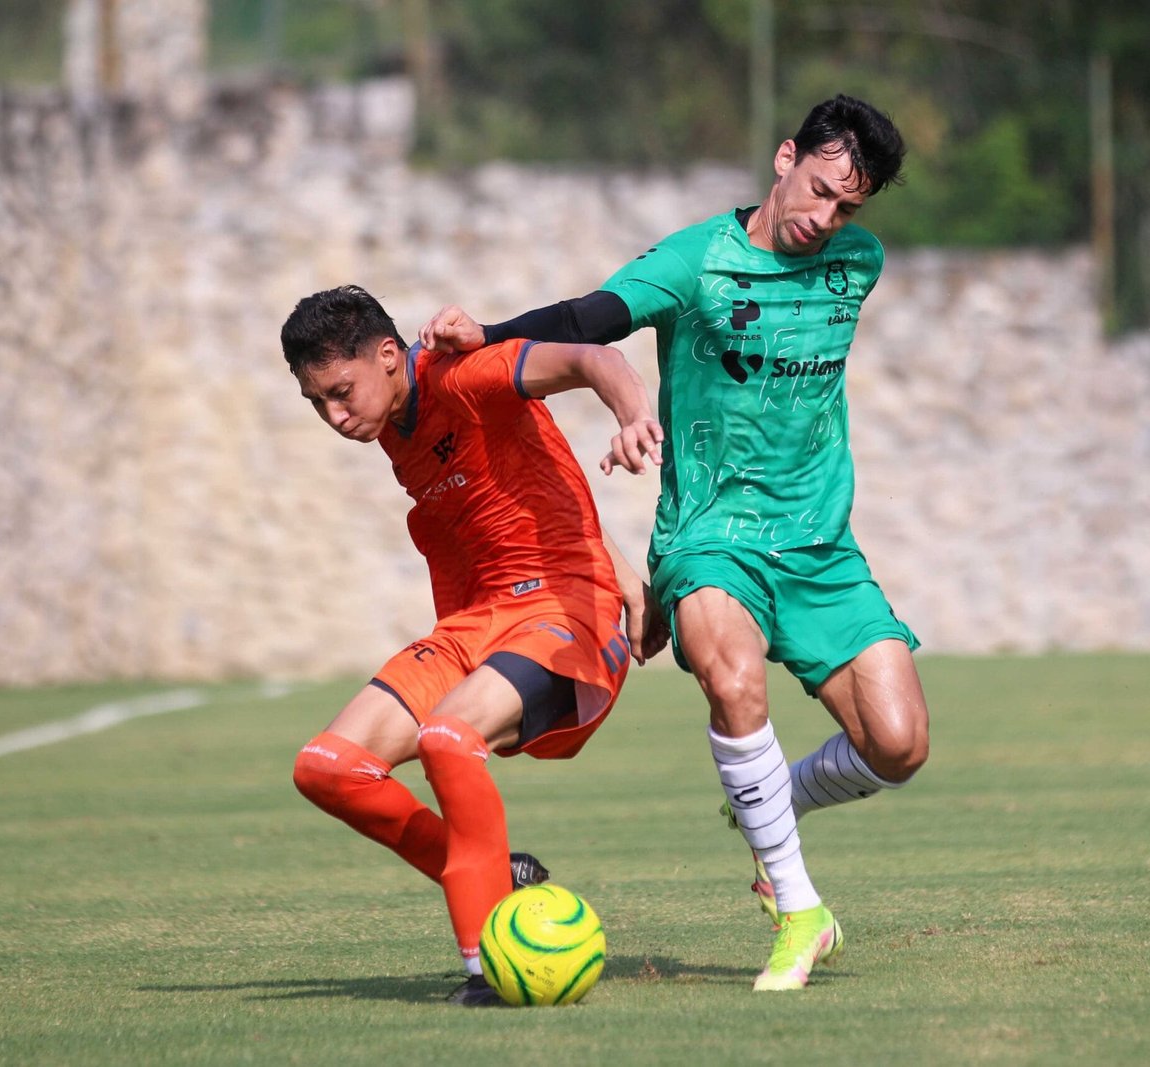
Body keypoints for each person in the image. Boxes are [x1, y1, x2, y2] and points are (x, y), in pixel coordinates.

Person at [419, 94, 929, 992]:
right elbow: (595, 316)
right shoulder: (697, 261)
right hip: (710, 538)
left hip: (819, 546)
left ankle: (770, 809)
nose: (825, 219)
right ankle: (801, 910)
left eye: (847, 207)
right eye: (817, 190)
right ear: (784, 159)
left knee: (899, 746)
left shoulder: (860, 262)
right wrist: (489, 335)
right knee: (730, 673)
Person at [281, 284, 667, 1006]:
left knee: (447, 739)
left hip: (558, 610)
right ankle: (497, 873)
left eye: (340, 391)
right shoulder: (391, 423)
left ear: (390, 356)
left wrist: (634, 415)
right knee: (327, 767)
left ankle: (486, 966)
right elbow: (538, 479)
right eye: (316, 404)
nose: (334, 416)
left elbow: (593, 357)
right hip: (472, 627)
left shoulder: (467, 374)